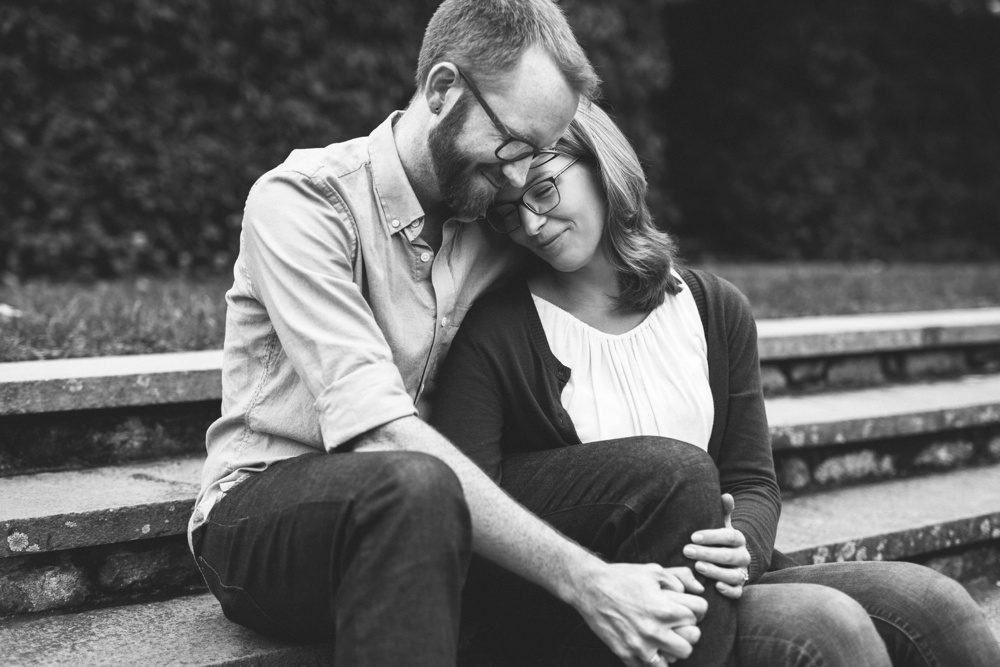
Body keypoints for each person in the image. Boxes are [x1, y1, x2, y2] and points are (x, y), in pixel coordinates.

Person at [189, 2, 731, 666]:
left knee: (672, 477)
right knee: (412, 484)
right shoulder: (302, 202)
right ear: (444, 90)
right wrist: (588, 579)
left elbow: (591, 235)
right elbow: (377, 432)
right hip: (271, 513)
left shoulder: (493, 216)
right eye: (510, 145)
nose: (516, 181)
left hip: (444, 506)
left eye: (535, 156)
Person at [431, 101, 1000, 666]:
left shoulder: (713, 309)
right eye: (507, 213)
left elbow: (752, 478)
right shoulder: (497, 332)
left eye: (543, 191)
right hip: (603, 608)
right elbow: (473, 514)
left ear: (601, 165)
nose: (530, 224)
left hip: (721, 579)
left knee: (936, 606)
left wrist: (743, 550)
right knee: (828, 629)